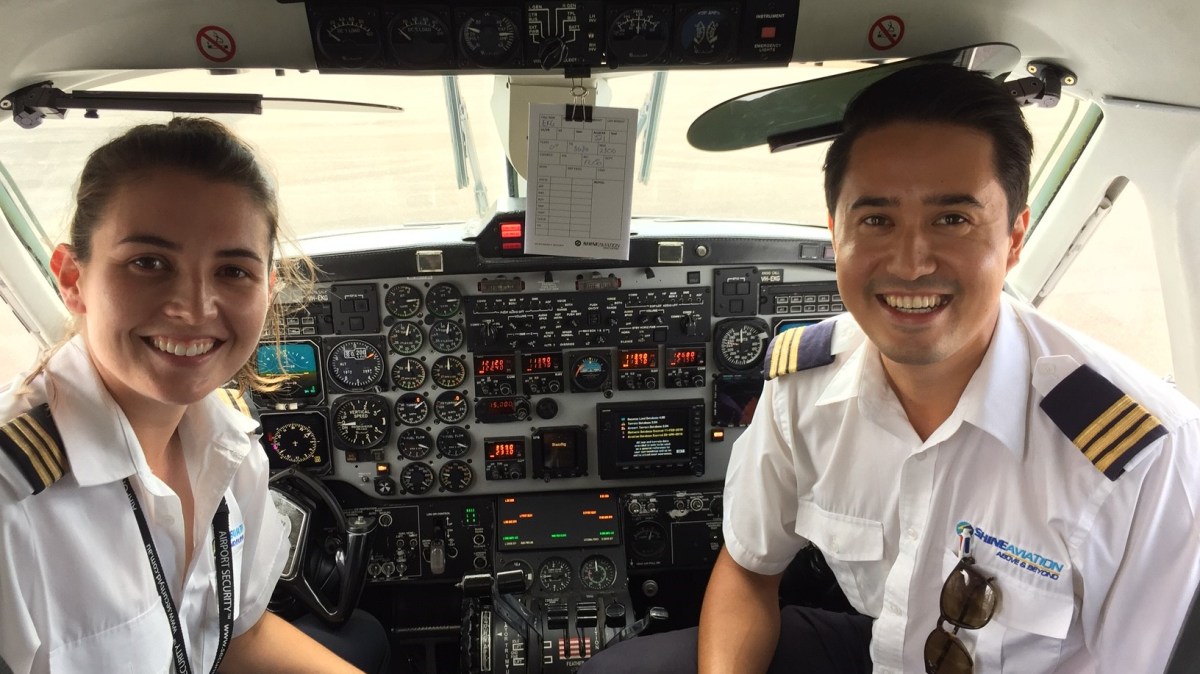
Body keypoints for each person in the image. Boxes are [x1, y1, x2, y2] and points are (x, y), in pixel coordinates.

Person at [582, 63, 1200, 673]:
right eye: (876, 220)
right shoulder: (803, 388)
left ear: (1014, 238)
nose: (909, 263)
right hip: (882, 646)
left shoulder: (1144, 459)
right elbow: (748, 572)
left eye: (952, 219)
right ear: (835, 233)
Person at [0, 118, 388, 673]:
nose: (195, 307)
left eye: (232, 270)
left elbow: (238, 635)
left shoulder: (231, 445)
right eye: (149, 263)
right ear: (71, 278)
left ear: (267, 288)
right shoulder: (14, 505)